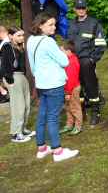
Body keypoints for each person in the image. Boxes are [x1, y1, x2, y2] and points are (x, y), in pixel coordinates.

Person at [27, 13, 79, 162]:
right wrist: (61, 52)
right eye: (50, 24)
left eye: (54, 24)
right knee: (53, 117)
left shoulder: (30, 40)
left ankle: (42, 148)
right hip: (54, 84)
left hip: (42, 84)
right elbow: (64, 61)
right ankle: (57, 151)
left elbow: (33, 63)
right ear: (40, 25)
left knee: (42, 114)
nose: (54, 27)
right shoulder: (48, 42)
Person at [68, 0, 106, 125]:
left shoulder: (94, 23)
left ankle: (96, 112)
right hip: (74, 61)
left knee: (91, 86)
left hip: (87, 61)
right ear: (74, 9)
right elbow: (69, 43)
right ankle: (81, 111)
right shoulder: (71, 24)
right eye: (78, 8)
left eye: (83, 7)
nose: (81, 10)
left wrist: (92, 59)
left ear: (86, 9)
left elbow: (101, 43)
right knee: (78, 87)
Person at [4, 26, 34, 142]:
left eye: (22, 35)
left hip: (22, 76)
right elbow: (5, 65)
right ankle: (16, 134)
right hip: (13, 77)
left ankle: (23, 128)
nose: (22, 38)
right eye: (19, 35)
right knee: (18, 106)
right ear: (11, 36)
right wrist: (9, 79)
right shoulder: (7, 47)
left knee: (26, 104)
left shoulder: (20, 47)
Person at [60, 40, 83, 136]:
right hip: (67, 89)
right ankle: (69, 124)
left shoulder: (71, 62)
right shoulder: (67, 60)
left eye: (62, 51)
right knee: (68, 107)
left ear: (68, 51)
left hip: (72, 88)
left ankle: (78, 126)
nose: (60, 53)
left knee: (75, 107)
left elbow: (71, 79)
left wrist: (68, 93)